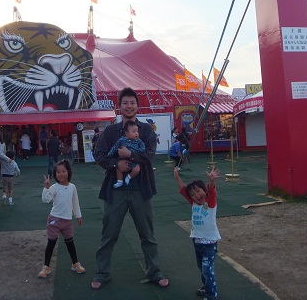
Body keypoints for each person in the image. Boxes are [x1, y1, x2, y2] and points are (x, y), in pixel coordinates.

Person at [91, 87, 169, 290]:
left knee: (147, 234)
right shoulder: (111, 132)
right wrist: (117, 164)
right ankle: (102, 272)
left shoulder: (146, 130)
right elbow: (99, 154)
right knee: (109, 234)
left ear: (137, 106)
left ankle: (154, 271)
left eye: (132, 103)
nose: (129, 106)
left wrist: (130, 156)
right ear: (119, 106)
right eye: (125, 103)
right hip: (115, 191)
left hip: (141, 190)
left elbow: (149, 155)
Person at [173, 165, 221, 300]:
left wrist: (212, 180)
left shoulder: (210, 203)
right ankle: (207, 286)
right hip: (197, 243)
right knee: (202, 268)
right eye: (193, 195)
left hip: (210, 244)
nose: (196, 195)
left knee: (207, 269)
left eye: (198, 191)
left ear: (204, 190)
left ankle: (211, 295)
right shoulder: (194, 203)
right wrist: (177, 177)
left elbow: (212, 191)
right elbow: (184, 190)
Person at [39, 159, 86, 278]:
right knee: (51, 243)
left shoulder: (72, 187)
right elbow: (45, 200)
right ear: (55, 174)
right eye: (58, 172)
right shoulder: (54, 187)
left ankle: (75, 264)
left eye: (63, 171)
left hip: (67, 221)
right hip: (54, 219)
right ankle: (46, 267)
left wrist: (78, 216)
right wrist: (46, 188)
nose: (61, 174)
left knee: (70, 242)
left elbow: (75, 202)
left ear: (68, 172)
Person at [106, 120, 144, 188]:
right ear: (126, 133)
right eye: (134, 132)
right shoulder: (122, 140)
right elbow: (115, 147)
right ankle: (119, 181)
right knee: (118, 168)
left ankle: (129, 177)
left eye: (137, 132)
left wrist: (140, 150)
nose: (136, 133)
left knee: (137, 169)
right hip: (123, 159)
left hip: (135, 160)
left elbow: (142, 146)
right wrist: (110, 154)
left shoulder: (138, 140)